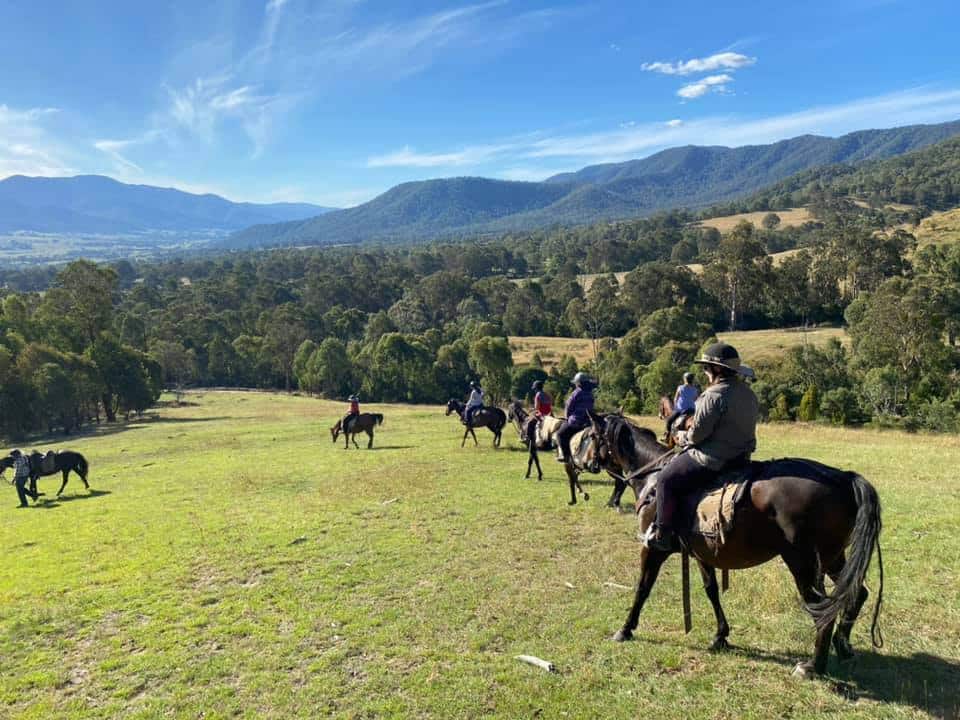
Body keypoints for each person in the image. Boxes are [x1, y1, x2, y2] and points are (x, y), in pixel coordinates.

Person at [646, 343, 759, 551]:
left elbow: (697, 436)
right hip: (741, 459)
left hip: (712, 460)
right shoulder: (748, 393)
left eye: (706, 367)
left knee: (665, 480)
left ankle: (662, 534)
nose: (704, 372)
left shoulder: (713, 395)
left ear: (716, 369)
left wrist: (681, 437)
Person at [555, 372, 596, 464]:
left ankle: (566, 456)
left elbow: (569, 407)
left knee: (560, 434)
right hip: (587, 422)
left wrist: (567, 418)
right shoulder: (590, 393)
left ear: (579, 383)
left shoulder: (576, 393)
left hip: (576, 422)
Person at [665, 372, 699, 436]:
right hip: (692, 410)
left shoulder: (680, 387)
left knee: (669, 421)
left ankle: (667, 435)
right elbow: (696, 400)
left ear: (685, 379)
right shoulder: (695, 389)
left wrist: (675, 407)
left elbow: (675, 399)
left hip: (681, 410)